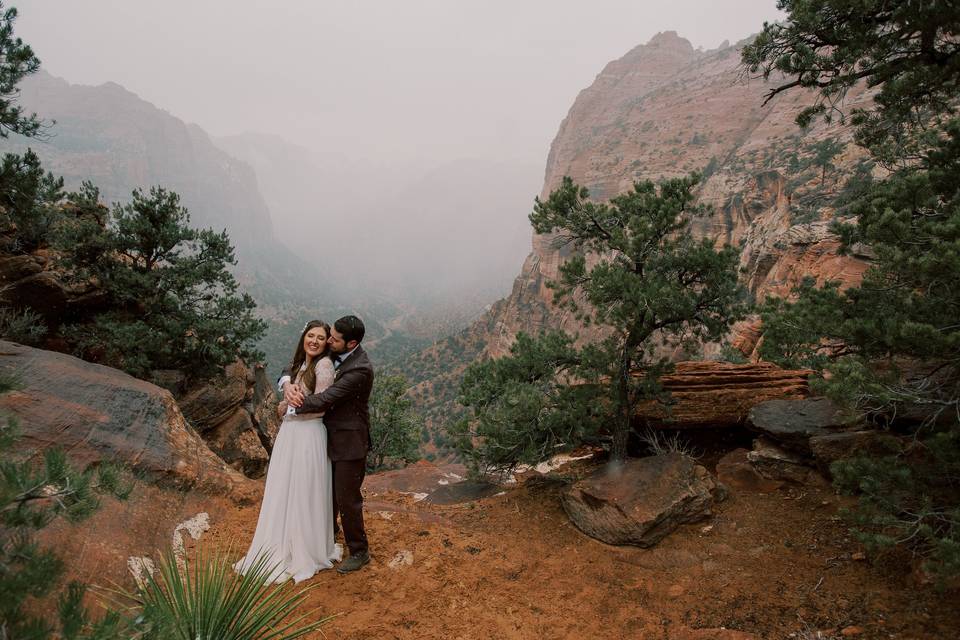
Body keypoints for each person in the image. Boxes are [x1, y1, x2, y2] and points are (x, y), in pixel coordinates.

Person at [234, 320, 342, 583]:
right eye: (310, 336)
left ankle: (303, 548)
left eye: (320, 337)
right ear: (303, 337)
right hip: (290, 435)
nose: (314, 341)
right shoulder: (300, 366)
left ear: (326, 342)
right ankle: (281, 542)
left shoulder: (324, 366)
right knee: (283, 489)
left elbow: (321, 406)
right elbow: (281, 408)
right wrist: (286, 399)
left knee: (303, 490)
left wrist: (291, 405)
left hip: (308, 435)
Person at [281, 314, 373, 573]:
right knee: (325, 492)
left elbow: (326, 398)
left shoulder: (360, 369)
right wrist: (287, 384)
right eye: (328, 335)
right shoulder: (335, 354)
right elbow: (295, 364)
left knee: (347, 497)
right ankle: (326, 536)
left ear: (351, 343)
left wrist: (290, 406)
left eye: (334, 338)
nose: (328, 341)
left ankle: (359, 550)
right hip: (325, 437)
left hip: (349, 441)